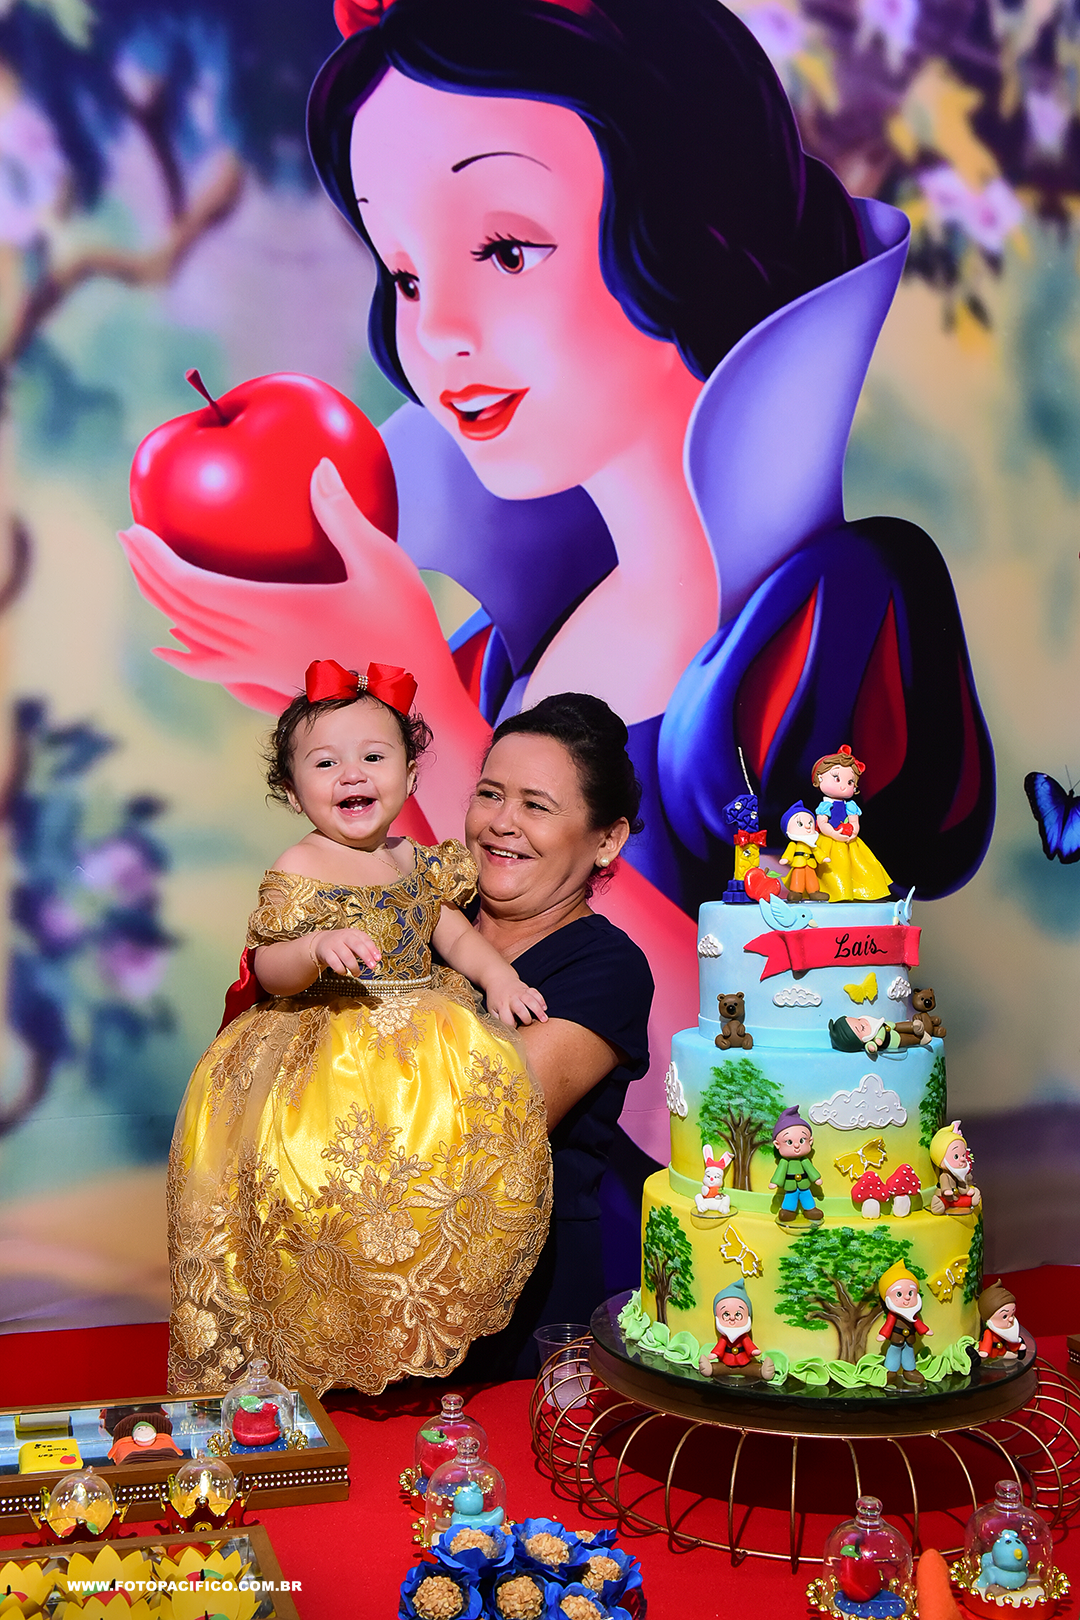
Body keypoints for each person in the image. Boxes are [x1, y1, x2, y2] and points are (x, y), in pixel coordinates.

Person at [120, 0, 994, 1163]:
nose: (439, 332)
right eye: (407, 274)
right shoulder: (504, 650)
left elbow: (780, 1109)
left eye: (506, 251)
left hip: (700, 1253)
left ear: (690, 230)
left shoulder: (826, 620)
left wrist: (430, 705)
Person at [166, 658, 552, 1398]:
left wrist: (500, 977)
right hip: (324, 1050)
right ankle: (319, 1333)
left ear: (409, 776)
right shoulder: (302, 862)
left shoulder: (413, 861)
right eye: (325, 763)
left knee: (424, 1180)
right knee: (323, 1190)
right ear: (292, 790)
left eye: (374, 757)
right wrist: (314, 948)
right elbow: (268, 965)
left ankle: (405, 1317)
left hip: (418, 1044)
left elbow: (452, 934)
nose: (352, 774)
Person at [455, 691, 655, 1377]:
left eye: (535, 806)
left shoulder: (607, 968)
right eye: (490, 794)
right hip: (359, 1285)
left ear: (607, 840)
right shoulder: (423, 925)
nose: (501, 823)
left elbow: (488, 1122)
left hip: (515, 1318)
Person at [811, 745, 892, 902]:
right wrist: (833, 833)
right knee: (833, 868)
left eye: (850, 782)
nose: (843, 786)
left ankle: (861, 891)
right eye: (836, 778)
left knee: (861, 865)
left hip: (850, 841)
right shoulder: (825, 805)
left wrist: (854, 831)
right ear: (820, 778)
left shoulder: (851, 805)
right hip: (829, 841)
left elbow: (854, 820)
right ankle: (835, 891)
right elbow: (822, 823)